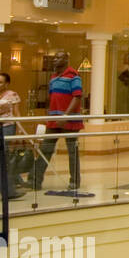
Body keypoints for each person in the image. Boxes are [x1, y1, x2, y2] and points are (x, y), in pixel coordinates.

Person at [32, 51, 84, 192]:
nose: (55, 59)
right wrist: (49, 114)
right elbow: (52, 97)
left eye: (58, 57)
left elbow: (77, 96)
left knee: (72, 151)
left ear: (66, 59)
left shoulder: (74, 76)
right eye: (54, 57)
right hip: (54, 119)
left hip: (69, 120)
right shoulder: (53, 77)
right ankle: (35, 180)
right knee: (46, 149)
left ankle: (74, 181)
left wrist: (65, 116)